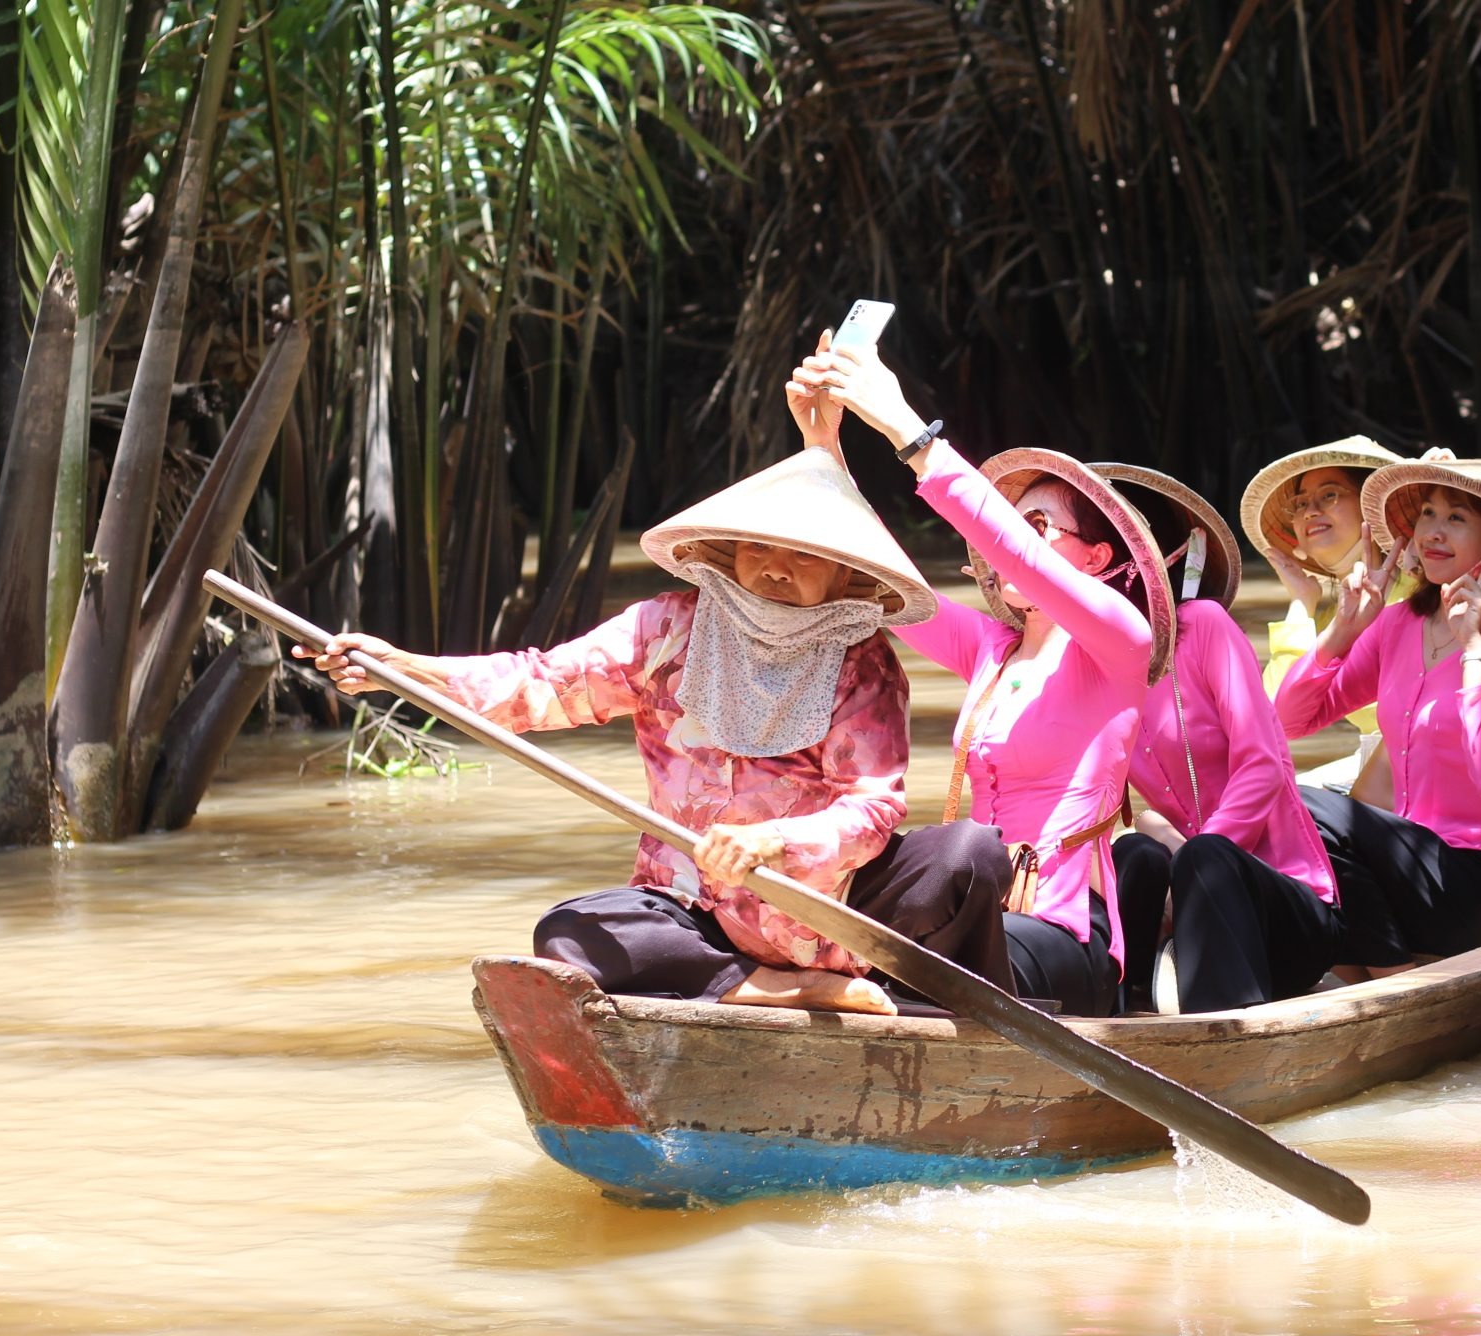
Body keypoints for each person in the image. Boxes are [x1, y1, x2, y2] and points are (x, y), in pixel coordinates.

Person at [300, 441, 1013, 1017]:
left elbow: (872, 807)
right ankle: (770, 990)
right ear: (726, 552)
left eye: (803, 556)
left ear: (842, 576)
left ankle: (943, 1022)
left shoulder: (864, 659)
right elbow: (543, 683)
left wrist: (776, 842)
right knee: (570, 933)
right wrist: (406, 668)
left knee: (968, 854)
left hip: (836, 911)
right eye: (758, 547)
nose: (774, 568)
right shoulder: (665, 627)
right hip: (695, 913)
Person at [798, 342, 1167, 1017]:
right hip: (970, 912)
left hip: (1064, 936)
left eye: (1039, 524)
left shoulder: (1121, 640)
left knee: (921, 962)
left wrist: (907, 430)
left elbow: (1014, 553)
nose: (1005, 552)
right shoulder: (990, 651)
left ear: (1098, 555)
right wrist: (826, 449)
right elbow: (881, 574)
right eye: (1015, 523)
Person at [1278, 459, 1481, 970]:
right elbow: (1288, 722)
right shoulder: (1397, 624)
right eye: (1428, 514)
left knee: (1307, 805)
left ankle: (1388, 975)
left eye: (1456, 519)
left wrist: (1474, 649)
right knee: (1279, 805)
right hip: (1408, 868)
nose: (1432, 533)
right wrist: (1344, 629)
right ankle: (1378, 966)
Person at [1092, 464, 1341, 1014]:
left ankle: (1218, 1042)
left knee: (1206, 856)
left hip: (1284, 907)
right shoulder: (1100, 668)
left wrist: (1190, 868)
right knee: (1132, 853)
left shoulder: (1204, 626)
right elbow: (1121, 811)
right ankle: (1123, 1015)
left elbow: (1263, 766)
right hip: (1190, 912)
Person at [1238, 436, 1415, 801]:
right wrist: (1303, 601)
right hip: (1380, 777)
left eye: (1330, 495)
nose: (1309, 511)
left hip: (1435, 779)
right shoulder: (1337, 615)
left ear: (1372, 506)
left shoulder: (1428, 581)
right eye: (1301, 503)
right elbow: (1274, 720)